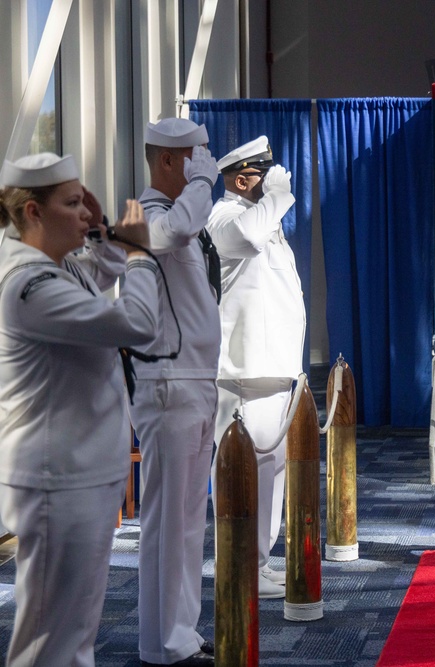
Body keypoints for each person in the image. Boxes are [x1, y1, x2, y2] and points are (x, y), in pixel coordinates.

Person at [0, 153, 159, 666]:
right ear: (32, 213)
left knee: (75, 632)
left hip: (78, 474)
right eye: (72, 204)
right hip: (58, 480)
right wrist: (139, 256)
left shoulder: (54, 265)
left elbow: (98, 267)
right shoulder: (29, 287)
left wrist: (105, 232)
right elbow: (137, 324)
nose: (87, 213)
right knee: (51, 640)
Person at [133, 118, 220, 667]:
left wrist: (200, 186)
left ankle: (179, 633)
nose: (202, 167)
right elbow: (173, 234)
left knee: (189, 520)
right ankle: (163, 643)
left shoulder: (177, 215)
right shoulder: (145, 216)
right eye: (195, 158)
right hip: (170, 386)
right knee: (168, 522)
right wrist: (204, 185)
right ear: (169, 161)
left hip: (194, 382)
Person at [207, 136, 306, 600]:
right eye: (263, 178)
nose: (274, 184)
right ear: (243, 179)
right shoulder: (225, 217)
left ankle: (259, 559)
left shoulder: (262, 219)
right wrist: (280, 197)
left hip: (270, 364)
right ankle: (244, 559)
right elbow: (246, 238)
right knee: (245, 466)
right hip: (244, 367)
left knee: (272, 464)